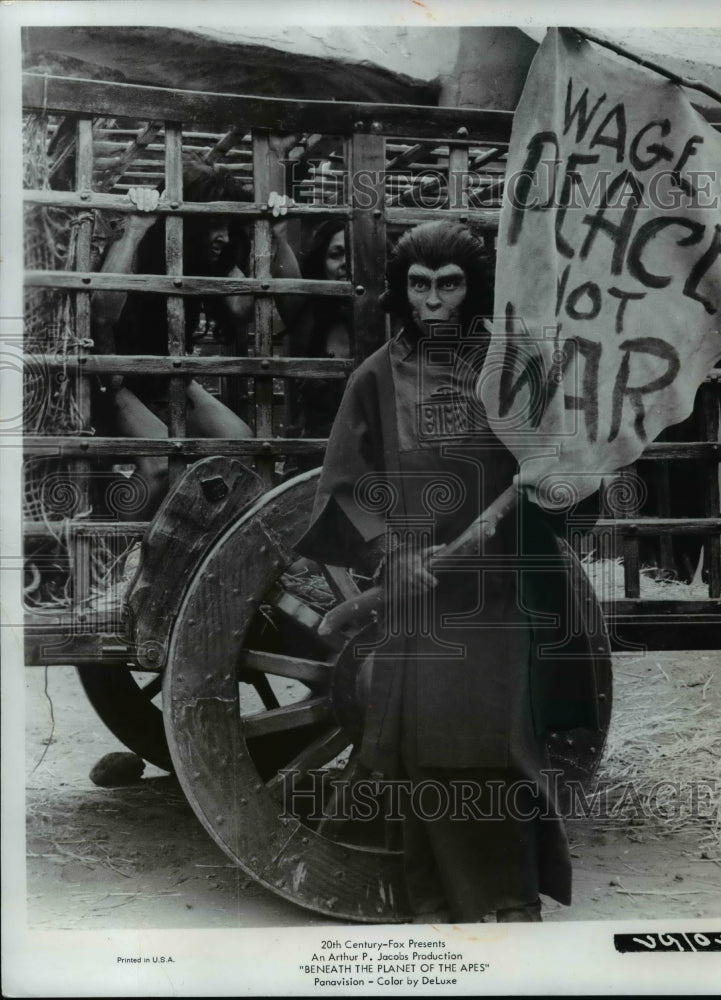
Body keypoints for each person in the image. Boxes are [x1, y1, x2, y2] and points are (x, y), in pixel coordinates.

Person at [295, 220, 601, 924]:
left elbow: (558, 461)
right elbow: (346, 479)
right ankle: (445, 904)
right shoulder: (375, 375)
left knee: (503, 745)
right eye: (420, 284)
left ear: (475, 289)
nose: (433, 300)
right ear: (401, 291)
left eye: (450, 284)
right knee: (429, 752)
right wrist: (390, 554)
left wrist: (515, 510)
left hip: (503, 587)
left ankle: (514, 897)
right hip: (421, 596)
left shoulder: (513, 363)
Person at [91, 145, 300, 513]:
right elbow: (102, 312)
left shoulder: (210, 260)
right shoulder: (142, 241)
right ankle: (115, 547)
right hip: (113, 379)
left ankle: (189, 537)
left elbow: (244, 307)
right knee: (159, 468)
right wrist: (136, 228)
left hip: (167, 377)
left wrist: (274, 235)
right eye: (213, 224)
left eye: (227, 225)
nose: (222, 236)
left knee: (241, 445)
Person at [282, 221, 351, 460]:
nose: (346, 264)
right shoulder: (307, 317)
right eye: (336, 254)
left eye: (357, 253)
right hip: (317, 457)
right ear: (321, 263)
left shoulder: (396, 322)